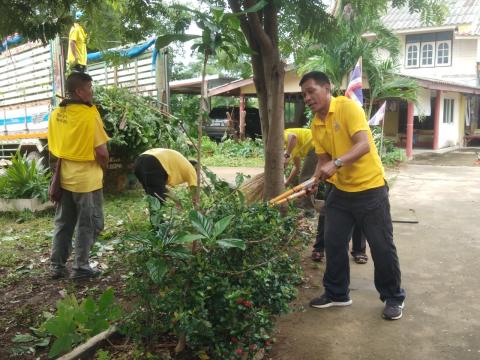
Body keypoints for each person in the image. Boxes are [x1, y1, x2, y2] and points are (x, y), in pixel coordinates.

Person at [299, 71, 405, 320]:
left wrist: (335, 164)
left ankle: (393, 297)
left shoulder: (347, 107)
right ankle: (337, 293)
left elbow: (363, 145)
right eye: (304, 94)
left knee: (381, 247)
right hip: (341, 192)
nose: (307, 97)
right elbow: (323, 159)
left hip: (371, 190)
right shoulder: (316, 122)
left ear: (326, 89)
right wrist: (314, 181)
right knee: (333, 242)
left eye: (311, 91)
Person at [48, 72, 110, 280]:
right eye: (89, 87)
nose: (92, 91)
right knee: (91, 224)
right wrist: (104, 165)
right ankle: (81, 268)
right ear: (79, 91)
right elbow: (101, 152)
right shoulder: (89, 114)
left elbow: (55, 148)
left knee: (63, 223)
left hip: (64, 177)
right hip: (87, 181)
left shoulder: (56, 113)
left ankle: (57, 266)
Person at [312, 189, 368, 264]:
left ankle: (359, 250)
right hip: (335, 182)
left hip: (363, 183)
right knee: (326, 213)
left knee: (360, 211)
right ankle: (319, 248)